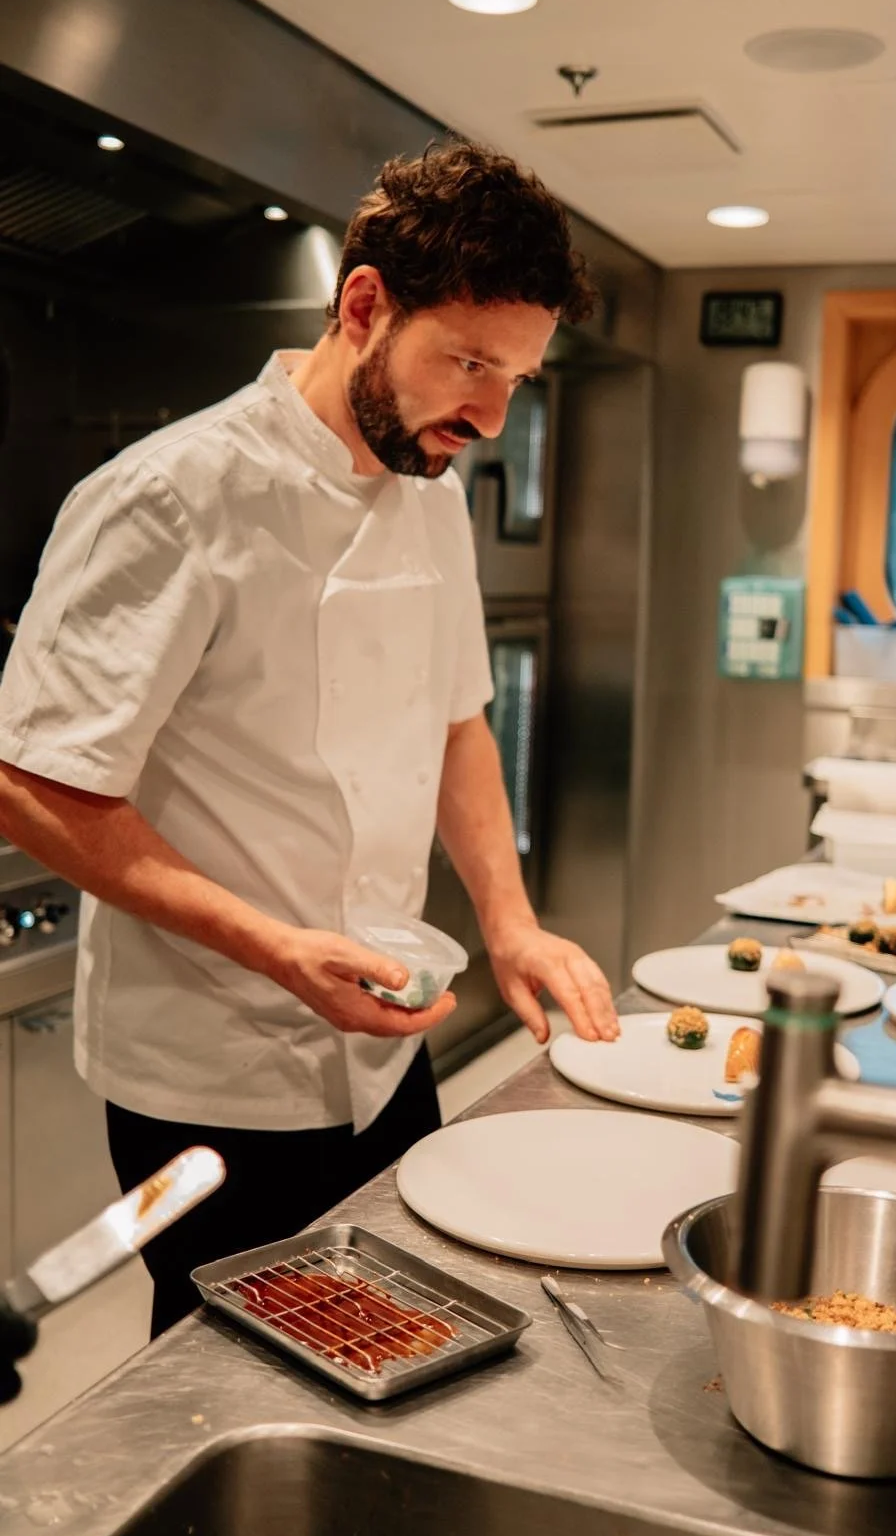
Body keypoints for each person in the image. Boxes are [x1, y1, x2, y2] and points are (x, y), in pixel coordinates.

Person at [0, 139, 620, 1338]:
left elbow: (457, 719)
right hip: (213, 1067)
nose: (488, 415)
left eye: (519, 380)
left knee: (400, 1338)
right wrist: (277, 948)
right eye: (469, 364)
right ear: (363, 305)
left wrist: (510, 922)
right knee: (237, 1376)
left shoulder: (431, 497)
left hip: (386, 1041)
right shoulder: (174, 496)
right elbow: (32, 786)